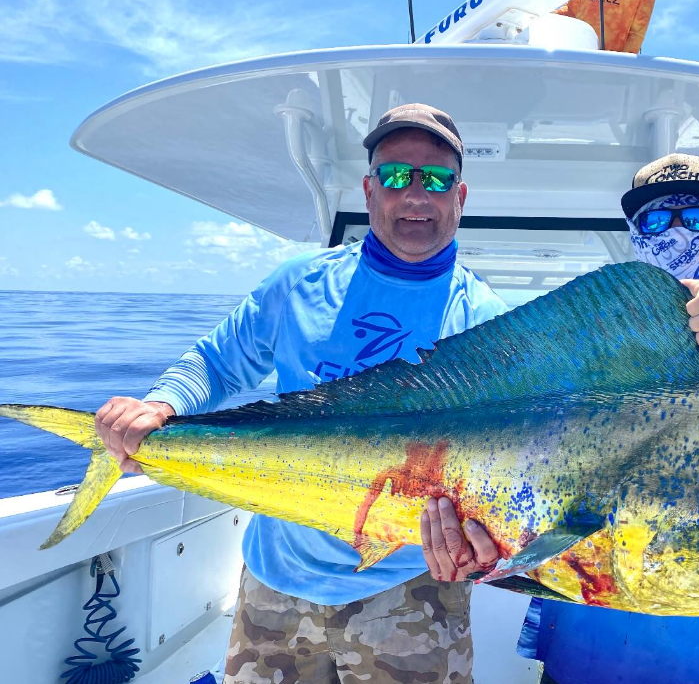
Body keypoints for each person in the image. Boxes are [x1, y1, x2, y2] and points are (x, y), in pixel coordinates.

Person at [92, 103, 510, 684]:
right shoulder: (296, 285)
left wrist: (487, 542)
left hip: (412, 593)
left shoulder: (488, 322)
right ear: (369, 190)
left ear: (459, 197)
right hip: (273, 584)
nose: (416, 194)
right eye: (395, 175)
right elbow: (216, 363)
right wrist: (161, 404)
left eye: (436, 179)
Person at [422, 154, 699, 684]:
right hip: (580, 646)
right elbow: (544, 512)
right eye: (658, 220)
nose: (679, 234)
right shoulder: (572, 366)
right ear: (634, 233)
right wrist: (491, 558)